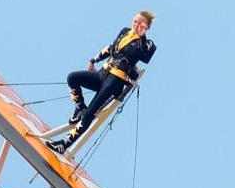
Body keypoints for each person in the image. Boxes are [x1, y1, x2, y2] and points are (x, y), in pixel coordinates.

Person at [47, 10, 156, 153]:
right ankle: (79, 107)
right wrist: (94, 60)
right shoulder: (125, 32)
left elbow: (144, 56)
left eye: (141, 24)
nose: (136, 25)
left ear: (147, 27)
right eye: (135, 21)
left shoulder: (147, 44)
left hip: (115, 81)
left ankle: (64, 144)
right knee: (72, 78)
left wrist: (141, 36)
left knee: (90, 114)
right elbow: (111, 47)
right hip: (103, 73)